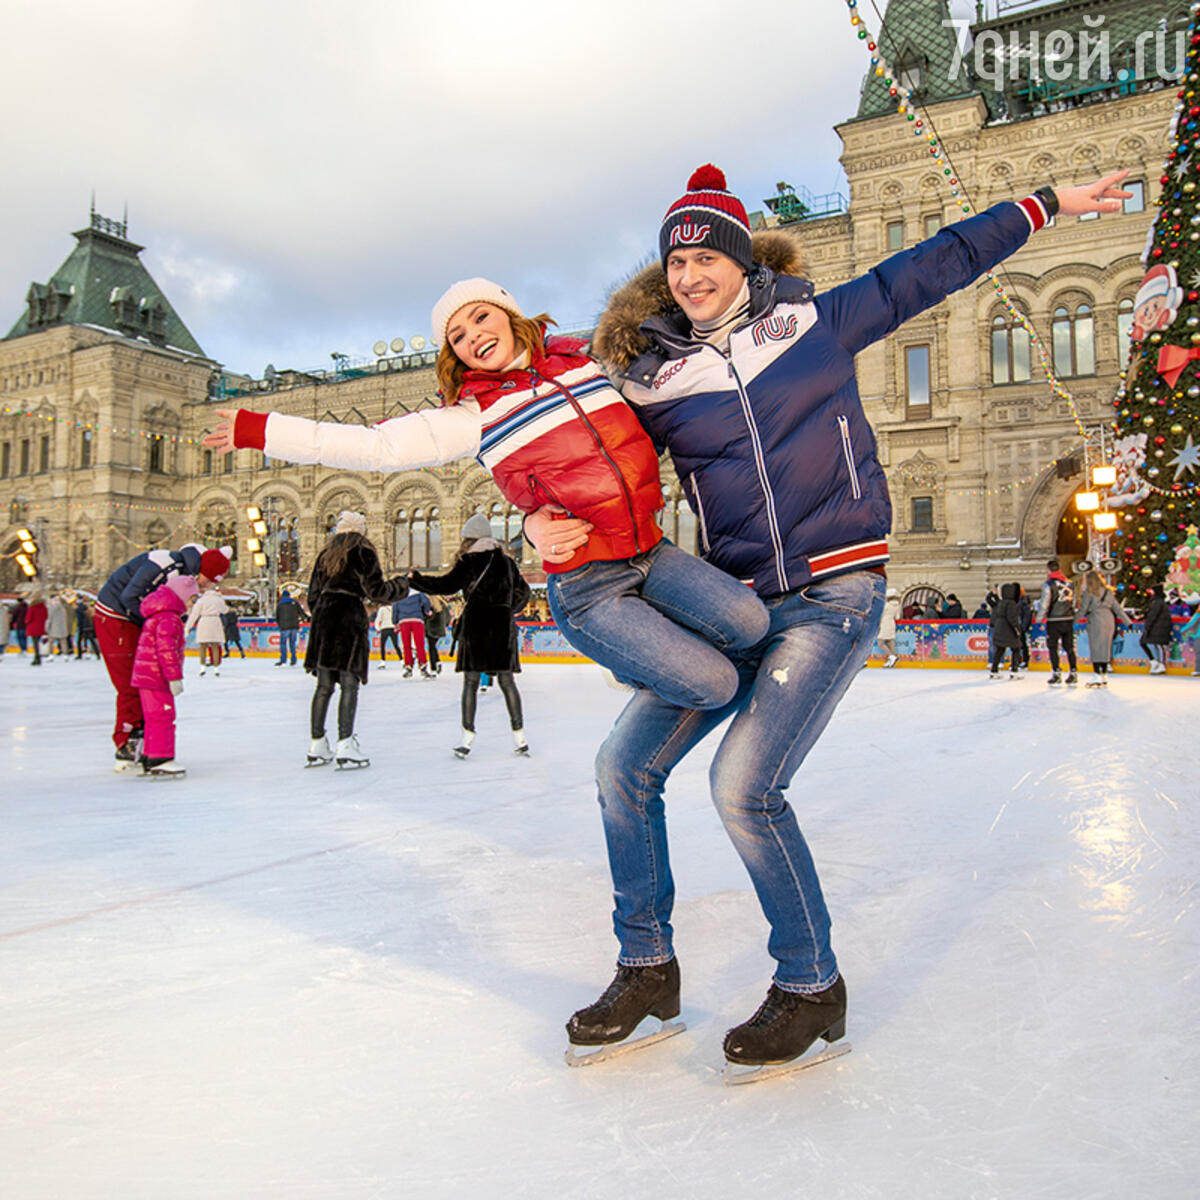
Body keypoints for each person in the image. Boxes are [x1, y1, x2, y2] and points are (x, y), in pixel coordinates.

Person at [524, 162, 1128, 1069]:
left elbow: (936, 263)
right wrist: (538, 510)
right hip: (735, 606)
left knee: (742, 786)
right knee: (622, 766)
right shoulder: (651, 380)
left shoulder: (814, 323)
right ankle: (647, 971)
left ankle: (811, 985)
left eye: (707, 258)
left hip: (834, 590)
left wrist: (1041, 205)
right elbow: (578, 451)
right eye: (675, 263)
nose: (691, 275)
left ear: (740, 260)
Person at [202, 277, 771, 714]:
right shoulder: (473, 415)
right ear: (454, 354)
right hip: (586, 580)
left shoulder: (590, 367)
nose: (473, 333)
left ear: (512, 316)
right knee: (714, 684)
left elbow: (683, 333)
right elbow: (375, 449)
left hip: (652, 551)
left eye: (480, 316)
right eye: (457, 335)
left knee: (749, 623)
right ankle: (632, 663)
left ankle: (649, 649)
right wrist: (261, 430)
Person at [96, 544, 231, 770]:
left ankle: (142, 742)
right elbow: (130, 596)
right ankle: (127, 743)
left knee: (143, 682)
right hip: (114, 616)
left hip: (131, 619)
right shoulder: (165, 564)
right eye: (209, 580)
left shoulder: (184, 574)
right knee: (130, 682)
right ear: (201, 569)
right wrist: (155, 622)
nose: (208, 586)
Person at [410, 513, 531, 757]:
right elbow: (524, 593)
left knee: (471, 683)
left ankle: (466, 738)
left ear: (470, 538)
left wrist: (417, 580)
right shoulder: (507, 562)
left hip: (476, 625)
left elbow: (446, 585)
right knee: (507, 682)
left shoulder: (469, 560)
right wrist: (507, 610)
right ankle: (520, 737)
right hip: (501, 626)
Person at [304, 510, 409, 769]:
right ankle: (345, 744)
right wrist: (402, 585)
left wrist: (322, 614)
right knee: (349, 683)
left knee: (324, 686)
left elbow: (312, 595)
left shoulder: (325, 555)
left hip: (324, 618)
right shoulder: (363, 552)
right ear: (360, 530)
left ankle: (317, 744)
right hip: (348, 616)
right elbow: (378, 591)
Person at [130, 574, 197, 778]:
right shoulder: (169, 618)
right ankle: (161, 757)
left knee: (152, 717)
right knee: (163, 716)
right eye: (191, 599)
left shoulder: (158, 615)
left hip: (147, 676)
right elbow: (166, 651)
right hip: (157, 677)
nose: (192, 604)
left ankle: (149, 755)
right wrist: (174, 677)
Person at [1076, 571, 1133, 687]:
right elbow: (1118, 609)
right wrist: (1128, 622)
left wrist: (1073, 620)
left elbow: (1083, 609)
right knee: (1106, 647)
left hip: (1096, 620)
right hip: (1109, 620)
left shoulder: (1089, 593)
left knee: (1096, 647)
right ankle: (1104, 675)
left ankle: (1097, 674)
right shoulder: (1108, 592)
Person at [1036, 559, 1079, 686]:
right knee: (1069, 647)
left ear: (1048, 570)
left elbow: (1045, 603)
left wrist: (1039, 618)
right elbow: (1074, 602)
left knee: (1053, 647)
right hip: (1068, 619)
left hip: (1054, 620)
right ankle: (1073, 672)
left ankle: (1056, 672)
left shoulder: (1048, 584)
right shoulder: (1070, 583)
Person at [186, 582, 230, 676]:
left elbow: (194, 614)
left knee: (203, 646)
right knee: (215, 646)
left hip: (204, 621)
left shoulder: (201, 600)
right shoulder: (219, 600)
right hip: (215, 621)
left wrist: (188, 627)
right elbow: (225, 610)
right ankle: (216, 668)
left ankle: (202, 667)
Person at [393, 588, 434, 678]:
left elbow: (395, 607)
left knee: (406, 645)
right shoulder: (418, 592)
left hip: (403, 620)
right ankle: (423, 666)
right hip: (417, 619)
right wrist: (427, 611)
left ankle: (408, 667)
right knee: (420, 644)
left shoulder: (399, 593)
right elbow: (426, 601)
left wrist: (395, 621)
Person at [988, 583, 1023, 679]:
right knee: (1016, 648)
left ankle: (994, 670)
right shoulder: (1011, 604)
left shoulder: (1000, 603)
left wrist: (993, 594)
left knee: (1000, 649)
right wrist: (1017, 630)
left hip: (999, 629)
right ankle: (1014, 671)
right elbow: (1011, 618)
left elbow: (990, 601)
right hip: (1009, 630)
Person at [1139, 583, 1174, 675]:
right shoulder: (1156, 602)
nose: (1150, 592)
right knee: (1145, 642)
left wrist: (1148, 626)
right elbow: (1150, 613)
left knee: (1158, 645)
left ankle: (1161, 664)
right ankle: (1155, 662)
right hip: (1157, 628)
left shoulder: (1158, 602)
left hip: (1159, 628)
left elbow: (1152, 615)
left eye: (1152, 590)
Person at [275, 587, 304, 666]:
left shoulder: (280, 604)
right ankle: (293, 660)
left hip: (284, 627)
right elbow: (302, 613)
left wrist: (280, 625)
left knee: (283, 643)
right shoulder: (294, 602)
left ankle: (283, 660)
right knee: (292, 643)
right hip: (294, 626)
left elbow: (277, 616)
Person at [424, 594, 450, 675]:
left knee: (431, 648)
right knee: (433, 647)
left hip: (431, 628)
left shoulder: (431, 605)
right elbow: (448, 618)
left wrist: (425, 620)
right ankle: (437, 661)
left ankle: (433, 668)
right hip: (440, 629)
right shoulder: (443, 604)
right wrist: (444, 625)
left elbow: (428, 617)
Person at [877, 587, 901, 668]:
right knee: (891, 642)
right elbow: (897, 617)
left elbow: (880, 615)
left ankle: (891, 656)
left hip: (884, 623)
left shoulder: (886, 605)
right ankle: (892, 660)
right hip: (892, 623)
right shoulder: (897, 605)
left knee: (880, 643)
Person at [373, 597, 400, 668]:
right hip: (393, 628)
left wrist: (378, 629)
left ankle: (383, 661)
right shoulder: (394, 608)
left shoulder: (382, 609)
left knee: (382, 645)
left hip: (384, 628)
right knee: (396, 645)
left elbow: (378, 619)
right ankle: (402, 660)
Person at [25, 590, 47, 666]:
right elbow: (46, 616)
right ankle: (38, 657)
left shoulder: (32, 607)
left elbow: (28, 618)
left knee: (35, 643)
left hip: (33, 627)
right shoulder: (44, 607)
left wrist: (26, 621)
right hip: (41, 627)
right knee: (38, 642)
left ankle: (37, 657)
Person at [1178, 603, 1200, 676]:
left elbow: (1191, 624)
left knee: (1198, 653)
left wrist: (1182, 630)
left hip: (1198, 636)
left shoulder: (1198, 615)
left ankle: (1198, 670)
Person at [46, 593, 69, 658]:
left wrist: (47, 627)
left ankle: (50, 654)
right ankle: (65, 655)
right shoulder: (63, 608)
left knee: (51, 641)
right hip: (63, 627)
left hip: (54, 627)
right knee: (63, 641)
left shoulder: (52, 608)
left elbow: (49, 618)